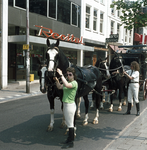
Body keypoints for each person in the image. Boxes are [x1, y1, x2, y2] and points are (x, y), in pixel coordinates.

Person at [54, 67, 78, 149]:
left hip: (70, 106)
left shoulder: (74, 83)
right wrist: (57, 80)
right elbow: (59, 87)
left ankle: (71, 142)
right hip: (66, 105)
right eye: (67, 74)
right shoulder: (67, 82)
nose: (68, 76)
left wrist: (61, 75)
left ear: (74, 75)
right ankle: (68, 139)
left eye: (70, 74)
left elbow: (67, 85)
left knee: (70, 125)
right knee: (68, 124)